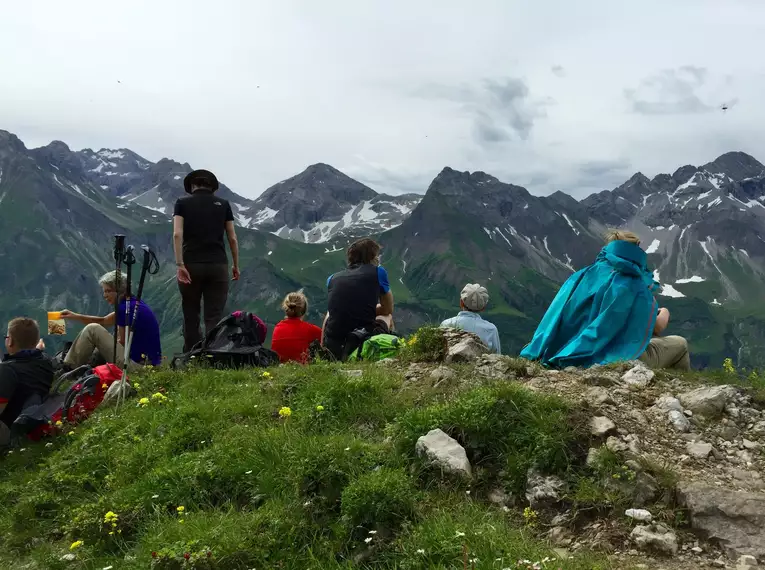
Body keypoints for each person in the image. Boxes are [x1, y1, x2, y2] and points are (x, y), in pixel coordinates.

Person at [520, 230, 691, 370]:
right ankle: (683, 394)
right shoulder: (633, 282)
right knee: (680, 344)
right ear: (636, 250)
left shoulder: (581, 275)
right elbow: (657, 326)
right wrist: (664, 313)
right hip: (616, 358)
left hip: (566, 350)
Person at [173, 169, 240, 352]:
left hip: (191, 264)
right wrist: (235, 265)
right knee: (214, 315)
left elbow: (177, 234)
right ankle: (214, 354)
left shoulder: (182, 203)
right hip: (218, 264)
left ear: (192, 186)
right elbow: (232, 238)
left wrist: (180, 264)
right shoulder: (224, 204)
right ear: (213, 187)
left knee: (191, 313)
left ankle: (192, 355)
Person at [59, 270, 162, 368]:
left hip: (136, 366)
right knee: (97, 334)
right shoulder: (132, 303)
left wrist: (100, 346)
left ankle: (69, 366)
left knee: (92, 329)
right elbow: (104, 320)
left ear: (120, 291)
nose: (105, 295)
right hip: (148, 364)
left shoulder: (125, 309)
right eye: (104, 291)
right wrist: (74, 316)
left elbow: (122, 342)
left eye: (108, 291)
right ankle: (79, 364)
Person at [322, 238, 394, 360]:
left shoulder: (332, 278)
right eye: (376, 255)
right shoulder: (378, 272)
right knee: (387, 317)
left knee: (329, 313)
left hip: (334, 342)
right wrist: (371, 310)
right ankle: (382, 354)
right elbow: (388, 309)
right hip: (361, 337)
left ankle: (324, 347)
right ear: (371, 257)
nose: (378, 258)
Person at [1, 318, 53, 446]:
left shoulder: (8, 370)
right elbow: (34, 352)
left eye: (7, 337)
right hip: (31, 419)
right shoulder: (45, 361)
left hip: (9, 429)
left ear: (10, 341)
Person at [440, 283, 501, 353]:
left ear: (461, 303)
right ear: (483, 308)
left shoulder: (446, 324)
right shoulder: (491, 329)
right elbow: (497, 355)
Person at [271, 292, 323, 363]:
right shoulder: (309, 329)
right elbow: (325, 338)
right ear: (303, 310)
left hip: (280, 367)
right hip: (302, 368)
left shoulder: (277, 327)